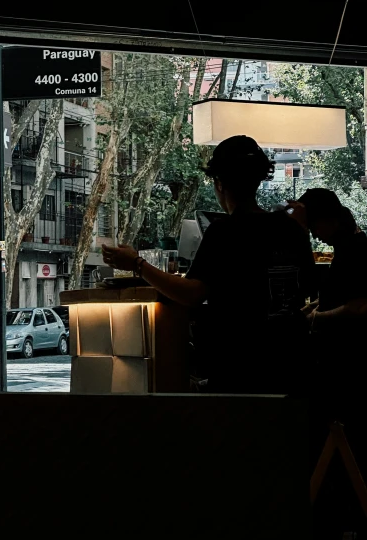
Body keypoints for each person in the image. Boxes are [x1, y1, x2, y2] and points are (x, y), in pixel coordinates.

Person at [102, 135, 317, 395]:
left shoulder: (225, 230)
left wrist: (137, 264)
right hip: (293, 360)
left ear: (220, 184)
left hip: (242, 366)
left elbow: (192, 293)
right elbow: (307, 285)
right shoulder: (293, 228)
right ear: (258, 179)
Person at [287, 189, 367, 540]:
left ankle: (343, 523)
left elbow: (357, 307)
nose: (315, 235)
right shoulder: (351, 245)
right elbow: (338, 297)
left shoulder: (355, 252)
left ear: (326, 219)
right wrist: (313, 310)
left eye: (313, 226)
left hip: (348, 366)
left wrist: (317, 319)